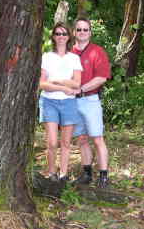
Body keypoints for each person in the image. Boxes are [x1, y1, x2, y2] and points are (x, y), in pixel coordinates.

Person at [39, 22, 83, 182]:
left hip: (69, 104)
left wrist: (57, 81)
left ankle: (63, 174)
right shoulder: (46, 57)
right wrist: (64, 87)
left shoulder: (74, 58)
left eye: (64, 34)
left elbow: (77, 83)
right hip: (49, 102)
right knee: (51, 142)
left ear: (69, 36)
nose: (61, 37)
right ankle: (51, 173)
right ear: (53, 37)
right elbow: (42, 84)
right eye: (58, 34)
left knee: (65, 142)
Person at [72, 18, 111, 188]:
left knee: (97, 139)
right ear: (74, 32)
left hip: (90, 100)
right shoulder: (68, 53)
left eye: (85, 30)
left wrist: (81, 89)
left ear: (90, 32)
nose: (82, 32)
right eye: (79, 29)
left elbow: (101, 78)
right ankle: (87, 174)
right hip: (72, 102)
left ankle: (103, 176)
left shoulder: (97, 51)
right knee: (81, 139)